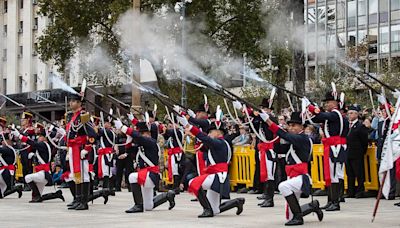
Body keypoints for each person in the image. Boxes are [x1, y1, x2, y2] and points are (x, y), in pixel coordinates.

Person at [260, 111, 323, 226]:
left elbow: (286, 135)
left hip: (301, 177)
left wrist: (269, 121)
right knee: (289, 215)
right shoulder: (294, 141)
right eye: (289, 125)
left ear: (301, 127)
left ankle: (299, 218)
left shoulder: (303, 138)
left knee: (282, 186)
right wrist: (276, 135)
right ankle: (312, 206)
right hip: (293, 176)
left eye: (293, 125)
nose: (290, 127)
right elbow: (278, 149)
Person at [177, 116, 245, 218]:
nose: (209, 134)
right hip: (218, 175)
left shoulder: (219, 143)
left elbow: (204, 137)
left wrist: (188, 125)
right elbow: (203, 143)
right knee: (215, 210)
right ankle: (236, 202)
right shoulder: (221, 143)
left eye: (210, 132)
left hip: (218, 176)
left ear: (218, 133)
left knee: (193, 183)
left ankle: (207, 210)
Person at [114, 119, 176, 214]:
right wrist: (129, 141)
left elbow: (138, 136)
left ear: (147, 133)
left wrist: (123, 128)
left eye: (141, 133)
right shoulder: (142, 144)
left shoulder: (150, 141)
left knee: (132, 177)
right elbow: (130, 152)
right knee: (148, 206)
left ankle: (138, 205)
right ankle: (167, 195)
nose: (139, 136)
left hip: (150, 175)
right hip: (145, 175)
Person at [307, 91, 349, 211]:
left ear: (335, 103)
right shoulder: (332, 115)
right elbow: (317, 118)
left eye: (328, 102)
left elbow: (321, 116)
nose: (326, 104)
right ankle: (331, 200)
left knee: (335, 175)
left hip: (335, 147)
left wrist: (310, 107)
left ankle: (335, 202)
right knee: (332, 174)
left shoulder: (335, 114)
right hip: (332, 146)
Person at [11, 128, 65, 203]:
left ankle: (36, 196)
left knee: (27, 178)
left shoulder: (42, 144)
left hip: (43, 174)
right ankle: (56, 195)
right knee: (38, 197)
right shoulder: (45, 145)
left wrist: (19, 136)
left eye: (39, 136)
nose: (38, 138)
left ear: (44, 137)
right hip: (43, 173)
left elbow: (32, 143)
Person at [65, 93, 97, 210]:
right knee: (76, 175)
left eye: (73, 101)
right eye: (70, 101)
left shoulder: (83, 115)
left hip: (81, 148)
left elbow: (92, 134)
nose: (70, 103)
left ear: (79, 103)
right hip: (74, 149)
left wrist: (87, 148)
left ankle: (84, 201)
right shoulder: (72, 117)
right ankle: (77, 199)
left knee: (84, 176)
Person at [345, 105, 369, 198]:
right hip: (348, 153)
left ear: (356, 114)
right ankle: (350, 192)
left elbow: (364, 140)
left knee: (359, 173)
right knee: (349, 173)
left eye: (351, 113)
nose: (349, 115)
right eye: (349, 113)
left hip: (357, 153)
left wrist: (362, 151)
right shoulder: (347, 125)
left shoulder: (360, 126)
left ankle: (360, 191)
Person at [0, 127, 23, 199]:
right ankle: (16, 188)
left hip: (7, 173)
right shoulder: (8, 149)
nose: (1, 142)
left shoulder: (8, 149)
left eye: (3, 140)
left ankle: (16, 188)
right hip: (4, 172)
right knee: (1, 194)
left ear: (8, 141)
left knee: (4, 192)